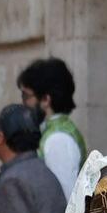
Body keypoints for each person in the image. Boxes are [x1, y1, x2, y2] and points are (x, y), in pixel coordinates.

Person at [19, 56, 84, 201]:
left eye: (27, 96)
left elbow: (64, 199)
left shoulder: (58, 139)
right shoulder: (53, 133)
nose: (23, 103)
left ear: (46, 100)